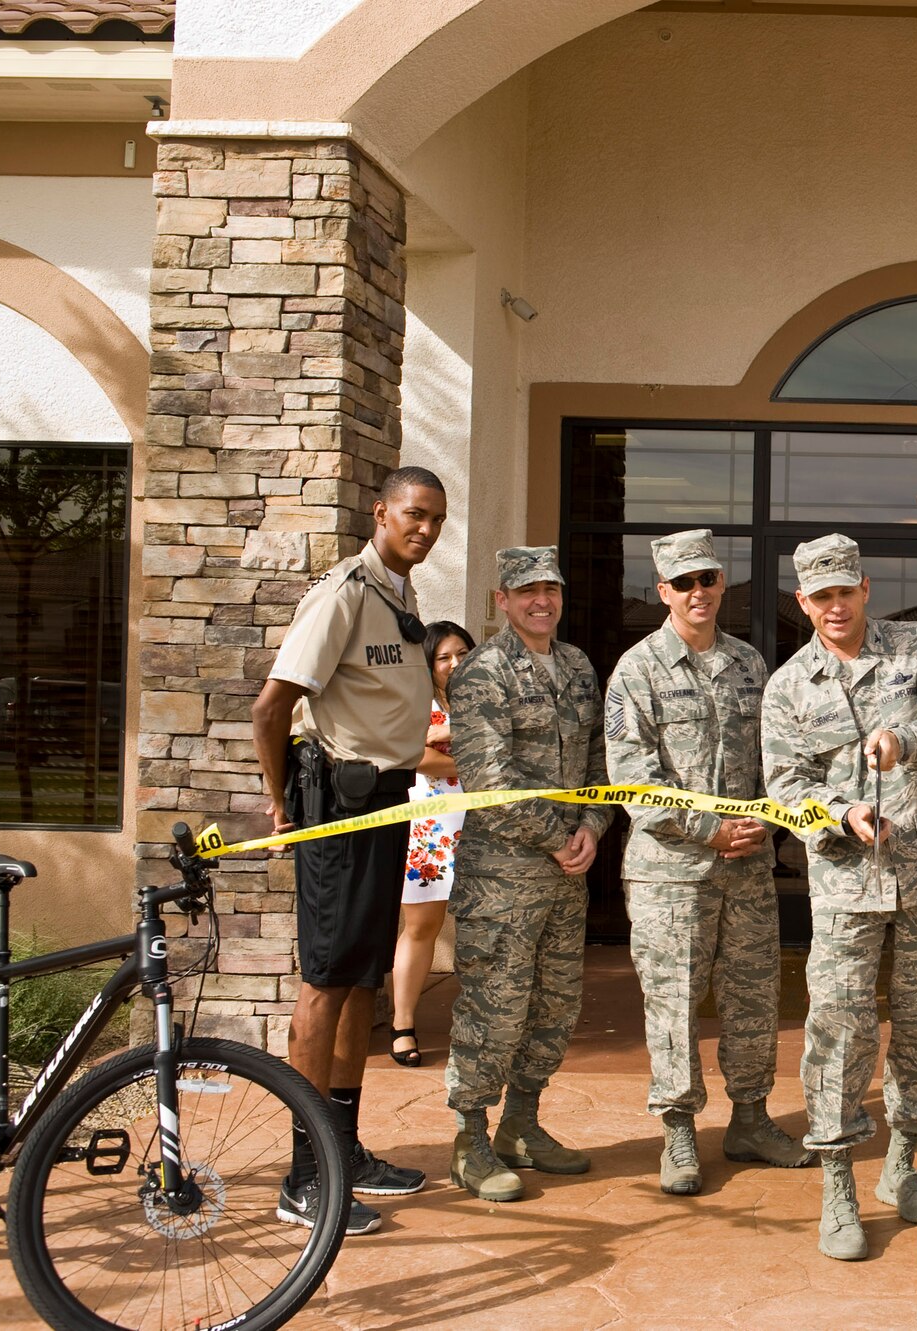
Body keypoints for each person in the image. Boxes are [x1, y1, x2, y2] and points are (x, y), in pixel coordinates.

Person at [761, 533, 917, 1262]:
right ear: (803, 602)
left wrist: (908, 735)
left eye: (844, 591)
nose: (834, 605)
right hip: (846, 886)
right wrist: (840, 811)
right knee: (840, 1031)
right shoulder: (789, 686)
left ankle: (900, 1166)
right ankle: (838, 1187)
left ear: (864, 589)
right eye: (819, 595)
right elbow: (785, 785)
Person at [251, 465, 447, 1235]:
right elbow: (272, 707)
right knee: (326, 983)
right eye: (413, 514)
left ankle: (344, 1148)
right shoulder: (342, 593)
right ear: (381, 513)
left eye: (435, 518)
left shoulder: (400, 596)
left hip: (387, 801)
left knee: (364, 978)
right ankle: (304, 1176)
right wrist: (279, 803)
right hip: (338, 803)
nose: (424, 528)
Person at [604, 529, 813, 1197]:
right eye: (684, 582)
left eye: (708, 579)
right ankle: (678, 1129)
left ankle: (749, 1117)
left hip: (747, 868)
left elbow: (774, 758)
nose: (699, 592)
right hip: (671, 872)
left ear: (721, 583)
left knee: (754, 998)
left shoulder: (750, 664)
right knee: (674, 1004)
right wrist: (708, 828)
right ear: (663, 590)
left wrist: (775, 819)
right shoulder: (637, 670)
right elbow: (631, 777)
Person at [442, 546, 609, 1202]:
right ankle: (470, 1138)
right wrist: (559, 835)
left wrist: (592, 829)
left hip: (566, 876)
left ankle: (521, 1123)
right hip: (503, 877)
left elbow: (601, 760)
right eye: (528, 590)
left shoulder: (576, 667)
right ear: (501, 601)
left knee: (555, 1007)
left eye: (552, 588)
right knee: (495, 1009)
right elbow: (490, 778)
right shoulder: (483, 673)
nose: (543, 600)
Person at [391, 621, 475, 1067]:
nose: (455, 663)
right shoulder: (413, 702)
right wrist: (470, 754)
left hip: (486, 825)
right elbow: (413, 755)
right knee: (421, 927)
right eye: (444, 657)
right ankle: (403, 1025)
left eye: (462, 652)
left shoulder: (486, 697)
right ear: (428, 663)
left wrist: (446, 739)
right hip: (432, 828)